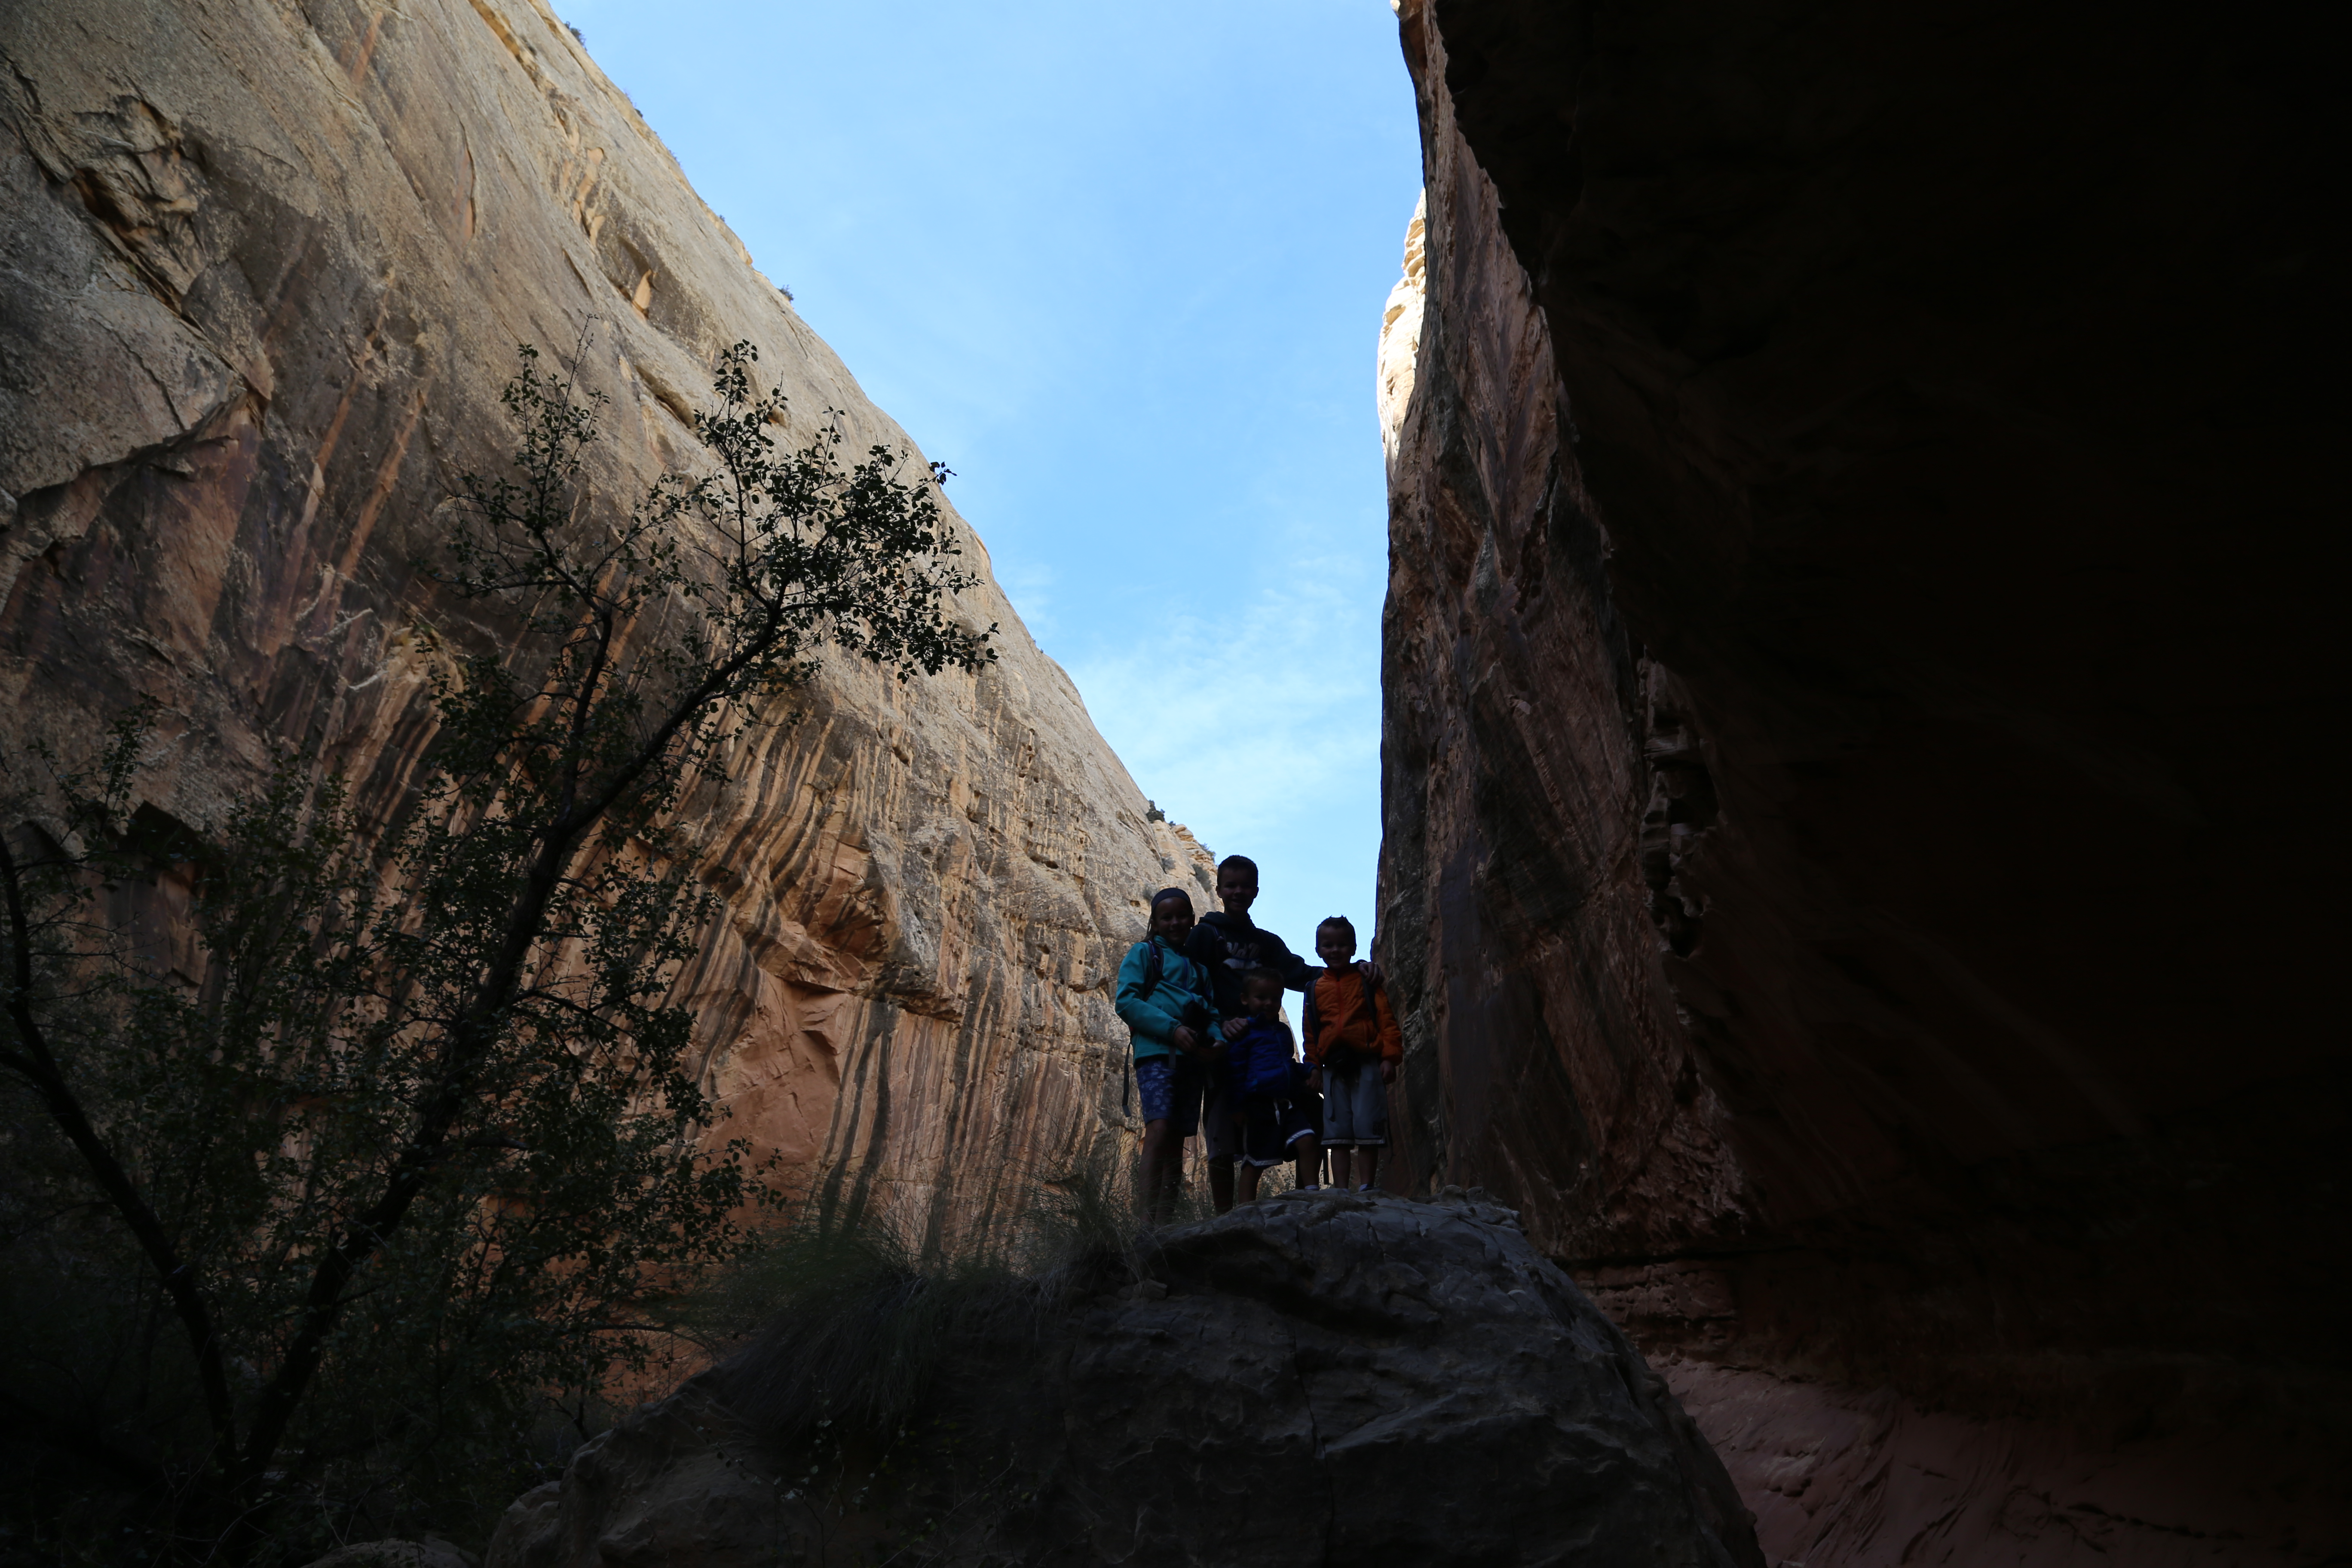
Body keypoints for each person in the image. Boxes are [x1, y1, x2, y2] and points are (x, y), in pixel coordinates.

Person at [1184, 854, 1347, 1211]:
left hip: (1267, 1051)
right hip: (1223, 1049)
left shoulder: (1266, 942)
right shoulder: (1205, 935)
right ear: (1220, 889)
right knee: (1222, 1131)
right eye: (1232, 885)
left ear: (1256, 891)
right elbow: (1190, 987)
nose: (1238, 892)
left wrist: (1348, 975)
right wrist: (1214, 1026)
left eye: (1246, 886)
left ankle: (1309, 1197)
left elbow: (1300, 974)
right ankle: (1227, 1215)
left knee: (1309, 1114)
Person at [1114, 888, 1223, 1222]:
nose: (1175, 923)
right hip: (1157, 1054)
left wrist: (1217, 1041)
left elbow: (1211, 1012)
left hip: (1192, 1060)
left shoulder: (1199, 970)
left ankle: (1164, 1223)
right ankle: (1145, 1222)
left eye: (1181, 916)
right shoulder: (1144, 954)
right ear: (1156, 922)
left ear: (1192, 919)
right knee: (1159, 1129)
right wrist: (1173, 1029)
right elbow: (1127, 1002)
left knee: (1177, 1140)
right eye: (1167, 917)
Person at [1302, 915, 1400, 1192]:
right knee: (1338, 1133)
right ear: (1318, 949)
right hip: (1332, 1068)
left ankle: (1367, 1186)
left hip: (1366, 1062)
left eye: (1343, 945)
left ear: (1354, 948)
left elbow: (1386, 1020)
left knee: (1369, 1126)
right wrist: (1313, 1067)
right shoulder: (1314, 989)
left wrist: (1390, 1058)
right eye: (1328, 945)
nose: (1335, 951)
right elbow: (1311, 1033)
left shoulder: (1367, 981)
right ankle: (1341, 1190)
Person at [1223, 968, 1322, 1203]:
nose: (1269, 1003)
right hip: (1259, 1105)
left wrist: (1310, 1069)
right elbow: (1235, 1071)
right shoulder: (1244, 1033)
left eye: (1276, 999)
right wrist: (1236, 1107)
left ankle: (1311, 1195)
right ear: (1245, 999)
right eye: (1261, 997)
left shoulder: (1282, 1031)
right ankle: (1245, 1209)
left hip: (1286, 1103)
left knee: (1308, 1140)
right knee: (1256, 1161)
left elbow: (1289, 1063)